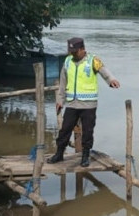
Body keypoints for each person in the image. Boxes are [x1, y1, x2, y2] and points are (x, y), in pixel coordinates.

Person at [47, 37, 120, 166]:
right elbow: (63, 82)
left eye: (75, 51)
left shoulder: (93, 60)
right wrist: (60, 100)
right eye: (71, 52)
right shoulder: (68, 61)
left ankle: (85, 155)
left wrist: (111, 80)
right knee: (65, 129)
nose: (73, 54)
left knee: (88, 131)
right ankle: (59, 154)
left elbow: (104, 71)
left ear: (82, 49)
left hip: (88, 104)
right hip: (72, 103)